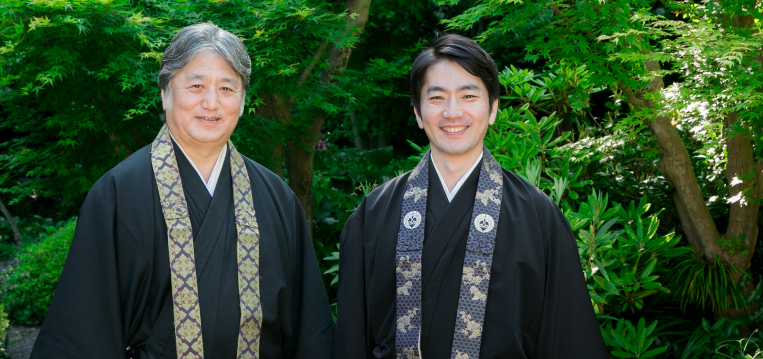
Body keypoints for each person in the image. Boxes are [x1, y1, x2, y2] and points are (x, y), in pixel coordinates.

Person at [31, 23, 334, 359]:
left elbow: (311, 333)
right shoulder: (117, 195)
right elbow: (82, 334)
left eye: (226, 88)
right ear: (165, 93)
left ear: (242, 101)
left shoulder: (277, 198)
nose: (211, 103)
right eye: (196, 85)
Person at [333, 35, 608, 359]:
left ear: (492, 108)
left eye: (468, 96)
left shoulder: (536, 215)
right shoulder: (374, 214)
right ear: (418, 113)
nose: (452, 112)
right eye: (437, 97)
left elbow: (568, 339)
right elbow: (351, 339)